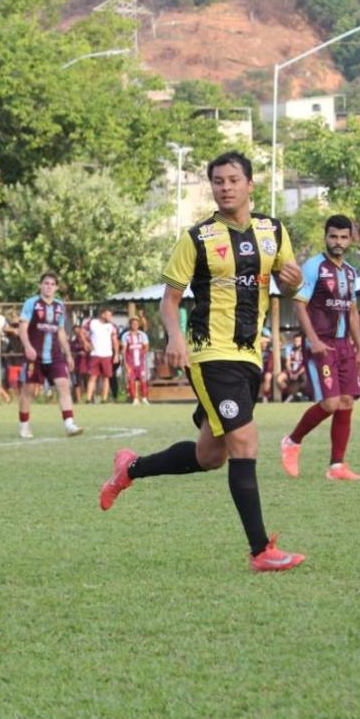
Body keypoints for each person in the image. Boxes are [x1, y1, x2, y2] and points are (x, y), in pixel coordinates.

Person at [99, 150, 305, 572]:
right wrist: (175, 337)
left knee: (211, 456)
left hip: (250, 356)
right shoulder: (197, 238)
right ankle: (260, 551)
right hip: (211, 355)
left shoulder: (274, 231)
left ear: (250, 184)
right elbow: (170, 301)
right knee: (246, 443)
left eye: (232, 179)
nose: (225, 187)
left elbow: (290, 283)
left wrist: (295, 280)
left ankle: (130, 468)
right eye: (218, 181)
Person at [279, 215, 360, 481]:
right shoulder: (314, 266)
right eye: (333, 237)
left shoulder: (350, 272)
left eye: (343, 237)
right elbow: (299, 304)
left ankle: (337, 466)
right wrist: (313, 340)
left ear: (350, 239)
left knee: (347, 402)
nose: (338, 242)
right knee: (330, 403)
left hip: (344, 346)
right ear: (325, 237)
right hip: (321, 344)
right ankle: (292, 441)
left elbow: (351, 311)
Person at [17, 273, 83, 439]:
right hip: (34, 355)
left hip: (55, 355)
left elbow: (60, 331)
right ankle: (24, 425)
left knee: (63, 385)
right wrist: (27, 347)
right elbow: (22, 327)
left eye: (52, 284)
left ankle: (69, 424)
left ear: (56, 287)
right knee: (28, 390)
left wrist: (68, 354)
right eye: (46, 283)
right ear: (40, 285)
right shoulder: (31, 303)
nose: (49, 286)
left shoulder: (60, 306)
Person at [85, 308, 118, 404]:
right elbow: (82, 332)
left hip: (107, 355)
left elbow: (115, 340)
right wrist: (86, 343)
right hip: (95, 354)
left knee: (106, 377)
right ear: (102, 315)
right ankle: (88, 399)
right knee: (92, 377)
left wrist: (116, 354)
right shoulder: (92, 323)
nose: (110, 317)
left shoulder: (112, 326)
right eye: (108, 315)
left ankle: (104, 399)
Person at [121, 316, 151, 405]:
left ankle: (144, 398)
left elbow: (146, 347)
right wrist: (125, 363)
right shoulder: (126, 336)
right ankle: (134, 398)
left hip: (140, 363)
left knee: (143, 380)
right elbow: (123, 350)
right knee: (131, 380)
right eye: (133, 324)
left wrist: (143, 354)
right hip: (130, 362)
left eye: (137, 324)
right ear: (130, 325)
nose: (135, 325)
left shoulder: (142, 335)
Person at [276, 332, 306, 401]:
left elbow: (305, 365)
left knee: (305, 378)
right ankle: (290, 393)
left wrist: (297, 374)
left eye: (298, 341)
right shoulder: (290, 349)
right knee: (279, 379)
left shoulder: (305, 350)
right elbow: (288, 362)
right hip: (291, 371)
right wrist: (290, 372)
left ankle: (298, 395)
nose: (296, 342)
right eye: (295, 341)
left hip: (301, 371)